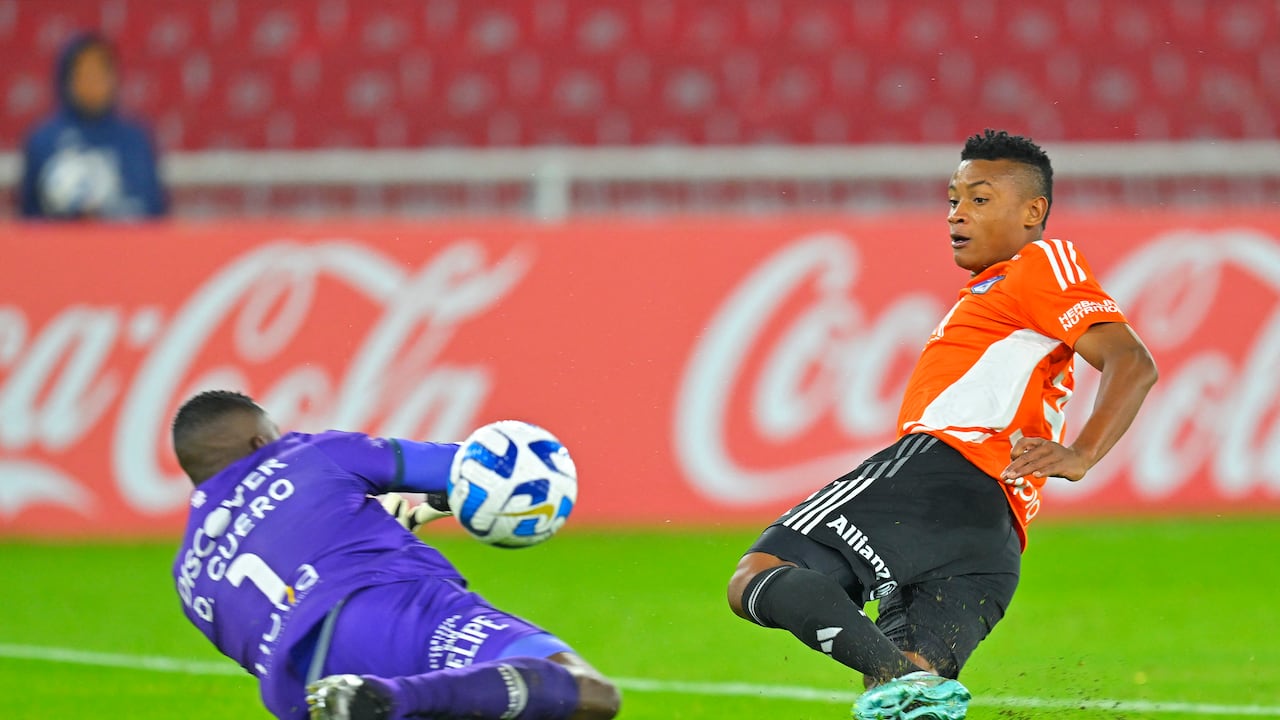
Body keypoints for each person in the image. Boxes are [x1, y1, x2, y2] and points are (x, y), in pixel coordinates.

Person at [725, 129, 1158, 720]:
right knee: (905, 704)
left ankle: (902, 678)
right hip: (993, 535)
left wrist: (1083, 453)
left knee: (757, 577)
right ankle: (908, 679)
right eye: (953, 199)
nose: (957, 214)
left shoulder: (1039, 264)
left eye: (979, 199)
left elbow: (1132, 362)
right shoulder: (992, 293)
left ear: (1033, 212)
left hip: (942, 474)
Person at [171, 390, 621, 720]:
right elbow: (476, 467)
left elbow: (291, 590)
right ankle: (389, 698)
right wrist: (458, 496)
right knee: (585, 693)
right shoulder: (307, 453)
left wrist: (376, 527)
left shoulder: (189, 579)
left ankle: (368, 700)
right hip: (395, 612)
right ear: (258, 443)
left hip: (306, 694)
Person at [17, 32, 167, 220]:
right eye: (84, 73)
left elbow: (154, 210)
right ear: (67, 78)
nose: (92, 82)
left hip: (124, 238)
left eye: (100, 72)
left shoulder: (136, 138)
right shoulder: (43, 140)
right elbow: (29, 217)